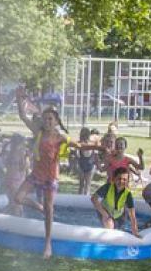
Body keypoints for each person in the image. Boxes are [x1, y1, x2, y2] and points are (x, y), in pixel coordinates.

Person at [13, 87, 104, 259]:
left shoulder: (61, 138)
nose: (47, 121)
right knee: (18, 198)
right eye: (45, 118)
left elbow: (80, 146)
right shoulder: (38, 132)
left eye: (50, 119)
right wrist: (19, 100)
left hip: (50, 178)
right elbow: (23, 116)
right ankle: (38, 207)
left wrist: (99, 147)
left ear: (55, 121)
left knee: (49, 210)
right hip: (36, 174)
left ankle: (48, 243)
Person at [91, 167, 141, 237]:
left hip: (120, 216)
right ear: (114, 179)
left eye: (124, 179)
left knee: (118, 230)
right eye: (119, 178)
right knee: (109, 224)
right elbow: (94, 199)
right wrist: (105, 214)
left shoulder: (128, 194)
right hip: (105, 212)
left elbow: (132, 215)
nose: (121, 181)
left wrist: (135, 232)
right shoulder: (107, 187)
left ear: (127, 181)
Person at [3, 134, 29, 216]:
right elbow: (23, 167)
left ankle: (12, 219)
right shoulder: (21, 153)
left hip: (9, 177)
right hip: (16, 179)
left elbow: (6, 164)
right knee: (16, 202)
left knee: (12, 201)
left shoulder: (10, 152)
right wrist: (27, 158)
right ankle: (18, 219)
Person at [77, 128, 97, 195]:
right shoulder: (79, 144)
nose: (84, 137)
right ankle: (79, 198)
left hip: (90, 166)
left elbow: (95, 154)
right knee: (82, 184)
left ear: (88, 135)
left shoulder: (92, 143)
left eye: (86, 135)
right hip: (81, 165)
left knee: (87, 184)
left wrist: (95, 161)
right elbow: (76, 154)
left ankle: (86, 197)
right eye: (83, 135)